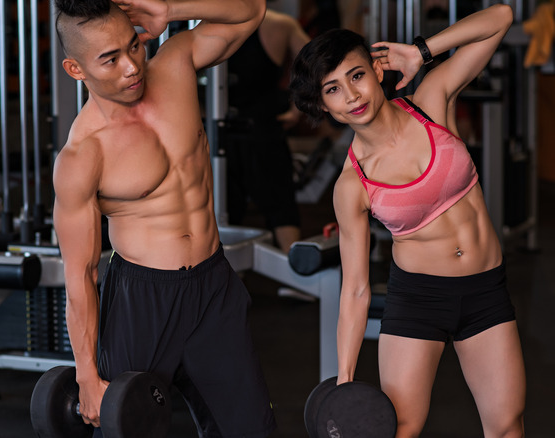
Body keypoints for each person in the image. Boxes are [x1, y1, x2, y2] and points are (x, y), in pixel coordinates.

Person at [289, 4, 525, 438]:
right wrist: (344, 380)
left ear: (378, 70)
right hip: (418, 302)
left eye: (356, 76)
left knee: (508, 426)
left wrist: (422, 52)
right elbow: (357, 288)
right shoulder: (351, 185)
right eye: (333, 89)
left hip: (486, 290)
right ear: (323, 104)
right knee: (400, 429)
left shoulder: (431, 102)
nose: (352, 97)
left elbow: (502, 17)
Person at [51, 0, 276, 437]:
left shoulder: (174, 64)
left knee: (252, 430)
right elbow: (80, 274)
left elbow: (252, 10)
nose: (131, 66)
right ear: (76, 69)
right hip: (143, 302)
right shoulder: (83, 155)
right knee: (126, 430)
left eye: (133, 46)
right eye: (109, 59)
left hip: (213, 287)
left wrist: (170, 10)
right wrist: (86, 377)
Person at [227, 6, 310, 251]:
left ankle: (296, 280)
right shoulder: (280, 24)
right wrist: (297, 107)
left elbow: (318, 64)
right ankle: (299, 283)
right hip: (261, 128)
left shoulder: (209, 23)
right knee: (280, 208)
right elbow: (317, 63)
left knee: (227, 212)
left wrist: (297, 106)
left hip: (228, 129)